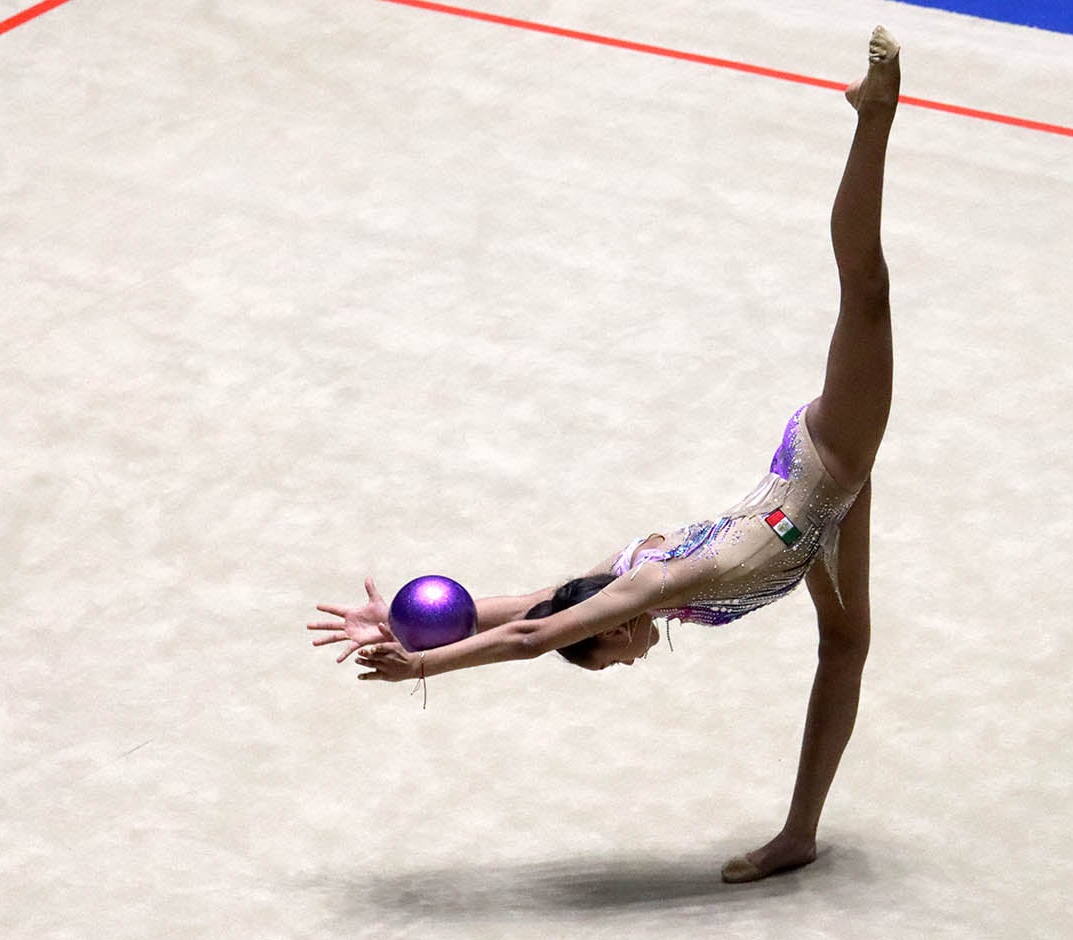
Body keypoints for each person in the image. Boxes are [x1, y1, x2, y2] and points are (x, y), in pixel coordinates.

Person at [309, 26, 902, 884]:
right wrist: (403, 621)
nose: (627, 663)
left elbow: (533, 635)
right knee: (843, 649)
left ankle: (873, 114)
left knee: (865, 291)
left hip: (829, 461)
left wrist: (422, 664)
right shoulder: (623, 582)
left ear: (613, 629)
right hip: (823, 519)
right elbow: (530, 607)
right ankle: (798, 835)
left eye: (609, 658)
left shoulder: (655, 587)